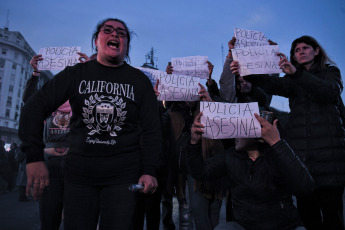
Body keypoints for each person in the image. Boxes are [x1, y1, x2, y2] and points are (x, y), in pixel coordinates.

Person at [18, 18, 161, 230]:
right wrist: (34, 158)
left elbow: (152, 130)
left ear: (127, 45)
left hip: (124, 177)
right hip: (79, 176)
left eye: (121, 33)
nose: (115, 35)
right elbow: (32, 109)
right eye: (108, 30)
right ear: (96, 40)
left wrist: (150, 170)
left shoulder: (139, 81)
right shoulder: (76, 74)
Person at [235, 35, 345, 230]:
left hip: (330, 163)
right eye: (296, 50)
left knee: (333, 219)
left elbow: (329, 92)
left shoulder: (331, 72)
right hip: (304, 163)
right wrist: (247, 69)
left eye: (305, 48)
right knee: (307, 218)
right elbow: (272, 84)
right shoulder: (292, 79)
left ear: (316, 51)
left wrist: (296, 74)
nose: (300, 52)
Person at [187, 110, 315, 230]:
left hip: (283, 225)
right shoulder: (230, 156)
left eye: (240, 129)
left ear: (255, 131)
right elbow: (200, 172)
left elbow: (305, 186)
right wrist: (194, 142)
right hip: (245, 226)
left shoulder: (276, 154)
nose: (235, 134)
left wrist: (277, 142)